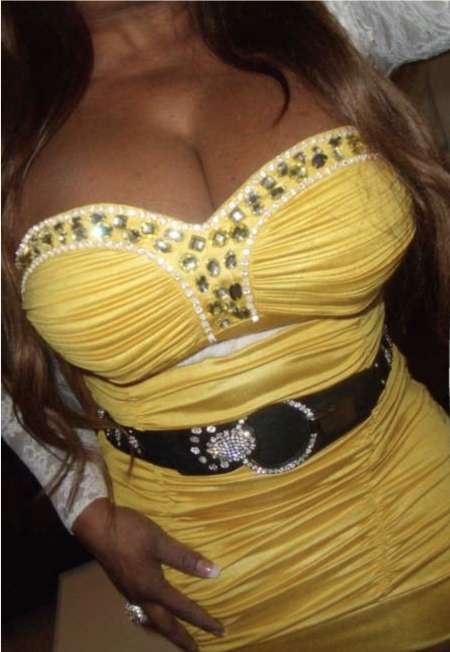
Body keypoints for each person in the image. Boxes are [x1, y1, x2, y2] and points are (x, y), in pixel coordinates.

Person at [2, 2, 450, 651]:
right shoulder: (11, 117)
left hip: (420, 500)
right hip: (210, 571)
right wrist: (86, 508)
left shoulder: (322, 23)